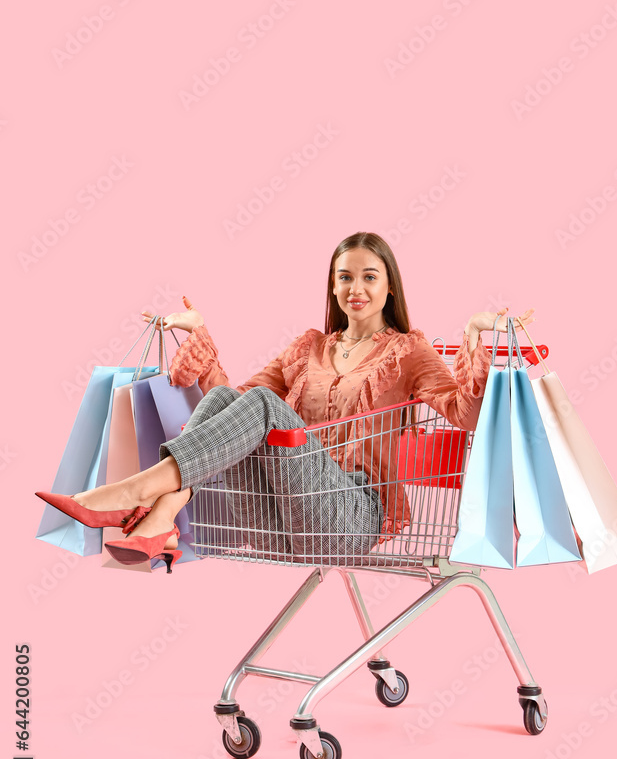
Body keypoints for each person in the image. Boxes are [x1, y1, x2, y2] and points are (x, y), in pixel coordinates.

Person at [37, 232, 535, 569]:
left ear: (389, 287)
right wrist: (201, 334)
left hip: (352, 517)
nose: (355, 288)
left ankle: (138, 496)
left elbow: (468, 418)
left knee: (263, 408)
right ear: (333, 285)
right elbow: (230, 408)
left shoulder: (409, 351)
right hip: (279, 517)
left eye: (368, 276)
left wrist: (473, 334)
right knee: (237, 400)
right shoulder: (308, 349)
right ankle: (160, 512)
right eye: (344, 276)